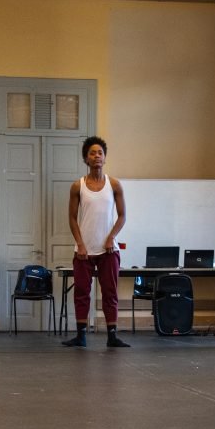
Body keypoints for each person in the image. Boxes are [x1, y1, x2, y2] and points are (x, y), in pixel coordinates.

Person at [62, 136, 129, 348]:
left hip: (108, 249)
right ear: (86, 158)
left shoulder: (115, 185)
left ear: (105, 157)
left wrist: (111, 237)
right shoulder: (77, 186)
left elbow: (122, 216)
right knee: (82, 291)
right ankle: (81, 335)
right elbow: (72, 218)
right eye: (92, 153)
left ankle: (112, 335)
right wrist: (80, 243)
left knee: (110, 291)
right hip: (84, 249)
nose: (97, 156)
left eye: (100, 152)